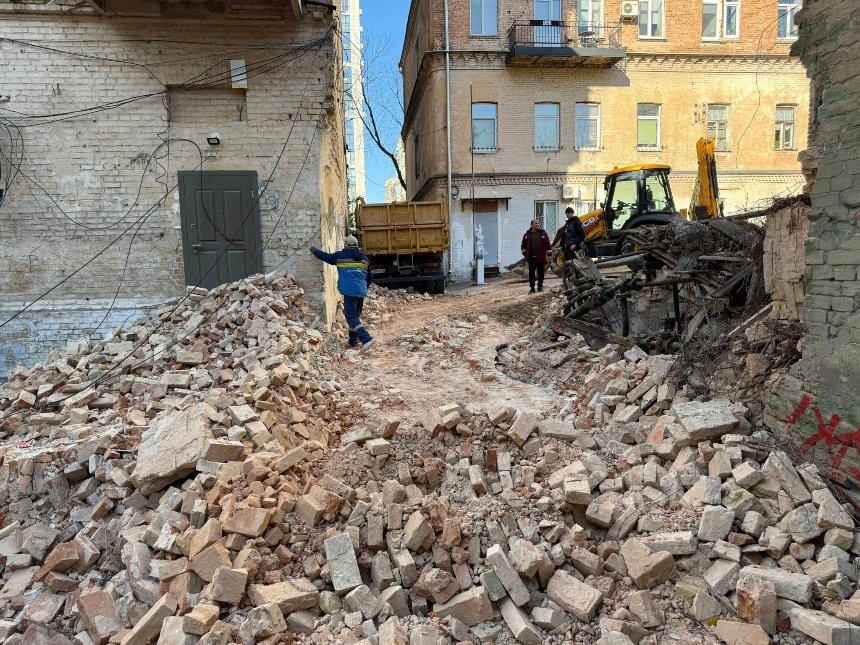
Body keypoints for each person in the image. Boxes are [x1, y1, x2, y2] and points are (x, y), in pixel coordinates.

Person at [310, 235, 374, 350]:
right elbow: (369, 277)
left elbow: (326, 257)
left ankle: (366, 339)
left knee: (351, 317)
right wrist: (363, 288)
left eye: (345, 243)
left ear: (348, 245)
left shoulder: (341, 256)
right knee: (355, 317)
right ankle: (353, 342)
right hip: (361, 291)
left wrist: (314, 251)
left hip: (350, 291)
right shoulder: (365, 259)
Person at [520, 219, 551, 293]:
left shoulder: (543, 234)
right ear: (532, 225)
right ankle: (532, 288)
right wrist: (526, 255)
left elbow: (548, 245)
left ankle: (540, 286)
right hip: (531, 259)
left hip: (541, 258)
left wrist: (549, 256)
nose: (537, 224)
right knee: (531, 273)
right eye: (536, 223)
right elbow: (523, 247)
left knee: (541, 273)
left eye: (538, 223)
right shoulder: (526, 235)